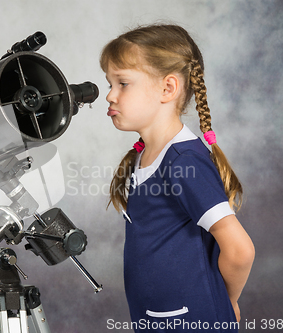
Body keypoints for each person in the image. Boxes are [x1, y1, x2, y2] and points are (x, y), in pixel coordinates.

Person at [100, 24, 255, 332]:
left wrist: (228, 301)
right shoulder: (145, 156)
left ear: (167, 89)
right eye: (110, 83)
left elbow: (240, 250)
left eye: (123, 83)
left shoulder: (184, 162)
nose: (110, 95)